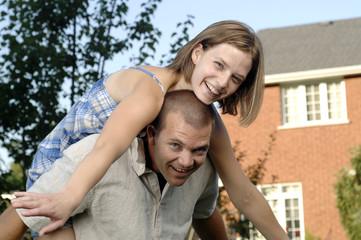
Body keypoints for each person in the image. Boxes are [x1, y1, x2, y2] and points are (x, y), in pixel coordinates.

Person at [11, 20, 288, 239]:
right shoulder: (152, 93)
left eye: (235, 78)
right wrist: (66, 199)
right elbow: (107, 147)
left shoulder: (205, 121)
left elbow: (245, 194)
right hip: (63, 170)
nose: (222, 81)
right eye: (219, 65)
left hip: (108, 181)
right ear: (198, 52)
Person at [3, 90, 227, 240]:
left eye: (199, 149)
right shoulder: (93, 157)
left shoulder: (204, 169)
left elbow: (204, 213)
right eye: (176, 145)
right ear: (152, 134)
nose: (187, 162)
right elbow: (21, 215)